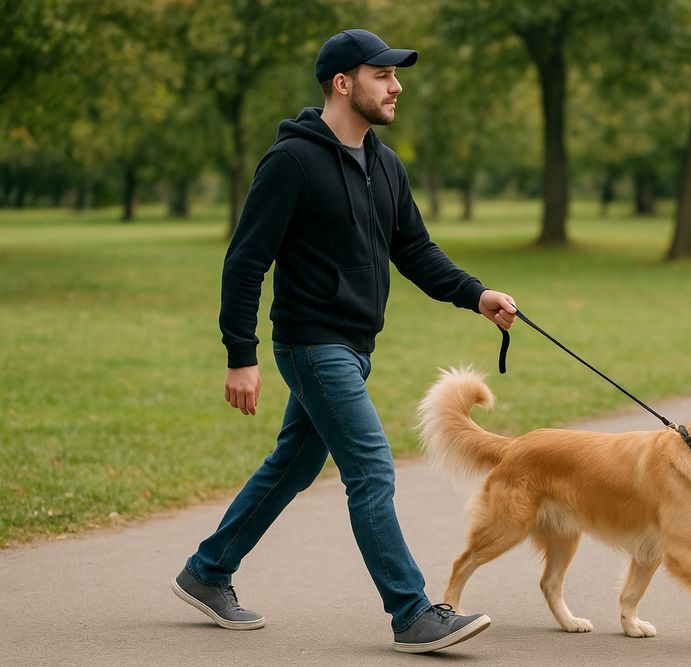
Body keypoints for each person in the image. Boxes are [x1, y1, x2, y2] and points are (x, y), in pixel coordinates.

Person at [170, 28, 517, 654]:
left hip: (356, 345)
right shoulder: (293, 162)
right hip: (310, 343)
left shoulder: (384, 164)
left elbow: (413, 248)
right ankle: (411, 613)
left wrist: (476, 293)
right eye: (383, 75)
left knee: (293, 466)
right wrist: (240, 355)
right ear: (343, 83)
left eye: (395, 75)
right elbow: (246, 260)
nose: (396, 85)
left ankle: (208, 570)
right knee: (371, 468)